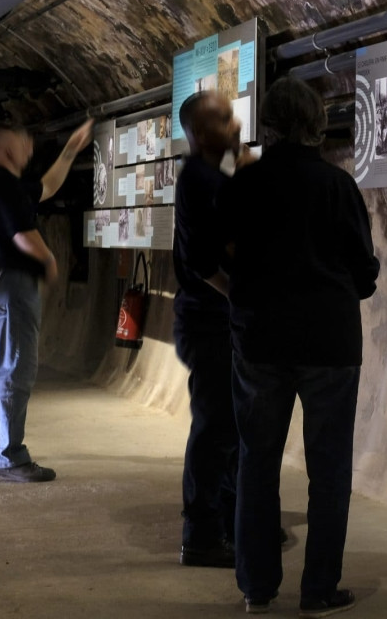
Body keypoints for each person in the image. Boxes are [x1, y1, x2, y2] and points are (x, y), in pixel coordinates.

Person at [221, 78, 379, 618]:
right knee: (329, 467)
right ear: (316, 123)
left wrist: (246, 297)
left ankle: (256, 586)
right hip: (329, 343)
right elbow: (365, 271)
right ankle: (318, 588)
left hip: (259, 340)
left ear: (267, 123)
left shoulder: (243, 186)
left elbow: (219, 259)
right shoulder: (338, 187)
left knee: (256, 461)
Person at [0, 119, 92, 482]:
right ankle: (11, 457)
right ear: (8, 150)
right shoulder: (4, 185)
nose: (31, 149)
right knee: (15, 370)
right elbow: (21, 234)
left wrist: (70, 149)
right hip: (11, 287)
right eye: (25, 143)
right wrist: (50, 259)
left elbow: (48, 186)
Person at [172, 91, 243, 567]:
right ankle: (200, 535)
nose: (234, 123)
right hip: (207, 319)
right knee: (215, 425)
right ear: (200, 133)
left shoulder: (214, 176)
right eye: (223, 118)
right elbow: (202, 261)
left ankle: (233, 522)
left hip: (217, 319)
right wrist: (239, 295)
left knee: (230, 427)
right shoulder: (199, 179)